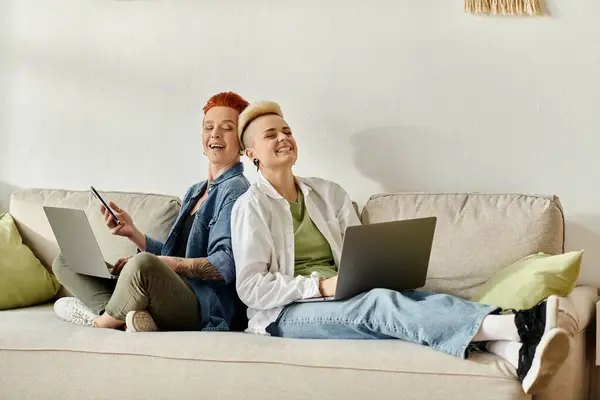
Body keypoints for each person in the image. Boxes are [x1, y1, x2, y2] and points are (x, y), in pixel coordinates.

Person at [230, 100, 570, 395]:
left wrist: (368, 272)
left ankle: (514, 356)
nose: (283, 137)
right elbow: (250, 287)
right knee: (379, 305)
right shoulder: (250, 207)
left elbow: (360, 252)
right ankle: (518, 326)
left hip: (344, 294)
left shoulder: (327, 193)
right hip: (287, 313)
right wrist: (319, 286)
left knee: (417, 299)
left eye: (286, 130)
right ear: (251, 154)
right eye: (271, 135)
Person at [52, 91, 251, 333]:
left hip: (201, 306)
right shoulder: (195, 191)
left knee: (143, 265)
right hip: (172, 291)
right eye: (208, 127)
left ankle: (100, 321)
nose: (215, 134)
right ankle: (130, 315)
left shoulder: (236, 190)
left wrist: (155, 263)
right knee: (66, 260)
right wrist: (134, 234)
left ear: (241, 141)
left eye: (226, 128)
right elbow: (173, 254)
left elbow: (225, 264)